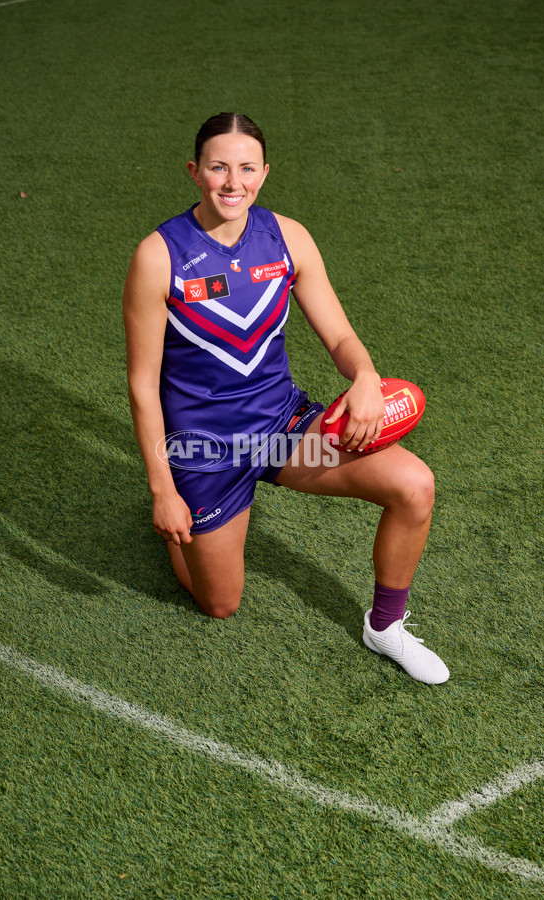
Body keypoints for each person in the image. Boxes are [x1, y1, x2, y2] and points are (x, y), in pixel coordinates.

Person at [123, 112, 449, 685]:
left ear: (264, 173)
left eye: (246, 168)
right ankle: (182, 530)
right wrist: (163, 490)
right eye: (219, 167)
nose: (232, 182)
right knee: (219, 602)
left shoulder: (288, 237)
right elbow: (142, 384)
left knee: (413, 484)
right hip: (206, 454)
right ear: (195, 171)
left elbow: (341, 337)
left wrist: (366, 376)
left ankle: (385, 627)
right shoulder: (159, 255)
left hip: (285, 440)